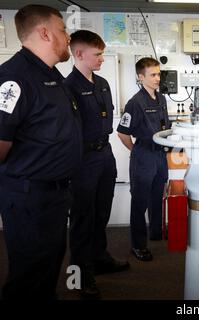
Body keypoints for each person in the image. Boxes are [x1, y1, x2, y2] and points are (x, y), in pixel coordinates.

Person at [0, 5, 83, 299]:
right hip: (29, 197)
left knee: (46, 271)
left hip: (54, 195)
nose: (68, 36)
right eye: (63, 29)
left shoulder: (50, 74)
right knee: (28, 276)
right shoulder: (14, 78)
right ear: (45, 33)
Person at [64, 30, 130, 299]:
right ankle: (79, 275)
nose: (102, 59)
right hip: (82, 160)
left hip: (105, 155)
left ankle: (99, 258)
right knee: (82, 218)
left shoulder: (102, 82)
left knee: (101, 213)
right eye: (98, 54)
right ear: (79, 54)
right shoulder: (67, 87)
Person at [117, 57, 170, 261]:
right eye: (153, 75)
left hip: (159, 155)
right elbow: (122, 133)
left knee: (157, 197)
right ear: (141, 77)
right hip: (143, 155)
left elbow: (164, 127)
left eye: (159, 74)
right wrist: (136, 151)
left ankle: (155, 233)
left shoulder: (161, 98)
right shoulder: (135, 103)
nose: (158, 78)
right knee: (139, 202)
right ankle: (138, 245)